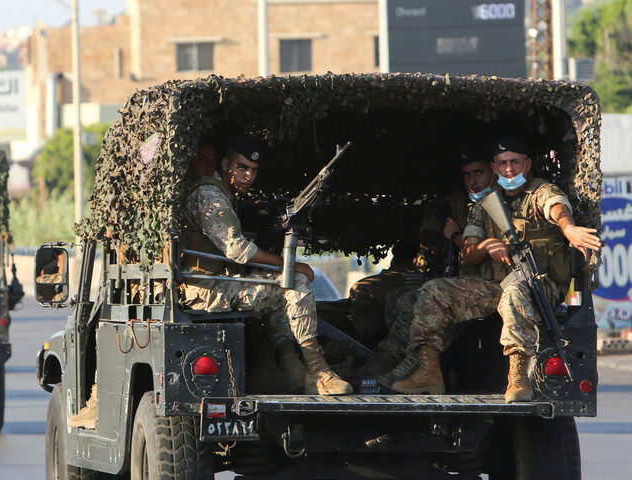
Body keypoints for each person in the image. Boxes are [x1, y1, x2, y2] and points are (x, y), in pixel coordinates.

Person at [392, 138, 601, 402]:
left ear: (527, 165)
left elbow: (557, 207)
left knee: (514, 292)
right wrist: (487, 247)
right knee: (435, 290)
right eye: (503, 163)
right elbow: (468, 251)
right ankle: (428, 372)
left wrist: (568, 229)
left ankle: (518, 377)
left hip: (539, 285)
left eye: (515, 162)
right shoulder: (484, 204)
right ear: (495, 167)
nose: (509, 169)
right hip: (495, 287)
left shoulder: (541, 192)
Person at [177, 135, 352, 395]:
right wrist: (288, 265)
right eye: (242, 168)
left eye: (253, 171)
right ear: (225, 165)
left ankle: (291, 367)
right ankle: (317, 370)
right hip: (202, 288)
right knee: (293, 282)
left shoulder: (220, 192)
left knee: (279, 288)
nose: (248, 176)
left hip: (213, 284)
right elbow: (237, 249)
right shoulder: (209, 195)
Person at [367, 147, 496, 388]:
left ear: (493, 170)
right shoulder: (468, 205)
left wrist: (455, 234)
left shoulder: (501, 203)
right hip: (465, 284)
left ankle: (408, 366)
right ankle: (401, 363)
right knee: (405, 299)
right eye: (467, 175)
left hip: (489, 286)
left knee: (427, 300)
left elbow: (472, 255)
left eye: (478, 173)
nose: (473, 181)